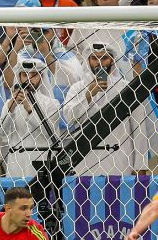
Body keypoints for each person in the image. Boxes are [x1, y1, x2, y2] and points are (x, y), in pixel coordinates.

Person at [61, 42, 149, 175]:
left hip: (121, 163)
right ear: (88, 60)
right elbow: (70, 118)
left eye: (104, 58)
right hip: (85, 164)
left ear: (112, 60)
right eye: (95, 58)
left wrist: (140, 166)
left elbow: (139, 128)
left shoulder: (126, 88)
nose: (99, 63)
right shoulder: (77, 89)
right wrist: (89, 94)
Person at [0, 57, 62, 178]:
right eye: (25, 75)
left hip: (42, 165)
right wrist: (11, 108)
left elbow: (50, 134)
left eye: (33, 75)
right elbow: (1, 134)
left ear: (41, 77)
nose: (29, 79)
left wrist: (28, 108)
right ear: (19, 77)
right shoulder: (10, 104)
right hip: (16, 166)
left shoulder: (52, 103)